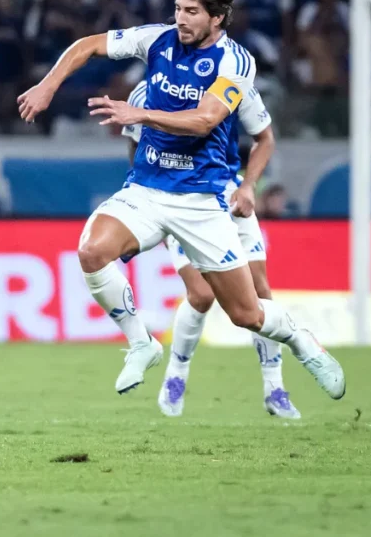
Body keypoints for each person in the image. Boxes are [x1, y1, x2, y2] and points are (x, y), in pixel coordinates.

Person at [17, 0, 345, 401]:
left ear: (217, 17)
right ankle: (141, 343)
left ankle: (303, 342)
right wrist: (48, 85)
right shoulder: (157, 38)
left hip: (201, 200)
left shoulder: (235, 62)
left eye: (192, 11)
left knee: (247, 313)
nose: (181, 18)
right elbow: (89, 45)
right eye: (178, 8)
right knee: (92, 251)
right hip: (148, 191)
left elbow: (205, 119)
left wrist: (141, 114)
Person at [121, 80, 300, 418]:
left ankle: (274, 387)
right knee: (201, 294)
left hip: (227, 194)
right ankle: (177, 373)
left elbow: (264, 137)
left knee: (260, 290)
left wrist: (248, 186)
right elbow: (134, 149)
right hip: (175, 200)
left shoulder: (233, 82)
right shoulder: (145, 92)